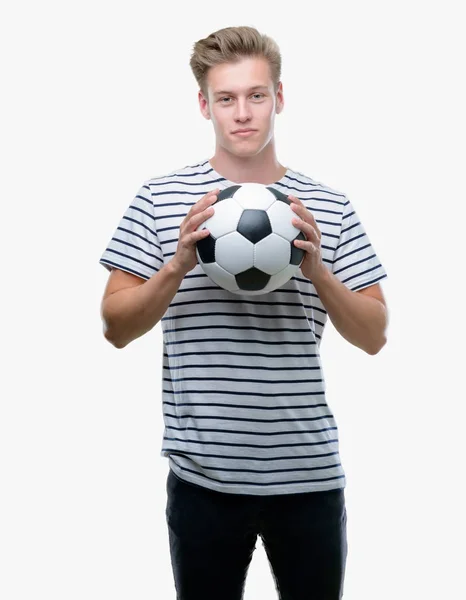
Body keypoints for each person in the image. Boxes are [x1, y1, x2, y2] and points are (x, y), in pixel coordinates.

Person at [99, 25, 388, 600]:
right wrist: (178, 264)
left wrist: (318, 272)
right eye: (226, 98)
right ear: (204, 104)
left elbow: (375, 335)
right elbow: (115, 327)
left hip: (308, 475)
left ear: (279, 98)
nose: (243, 113)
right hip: (203, 479)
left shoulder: (326, 204)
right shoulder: (160, 199)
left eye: (256, 95)